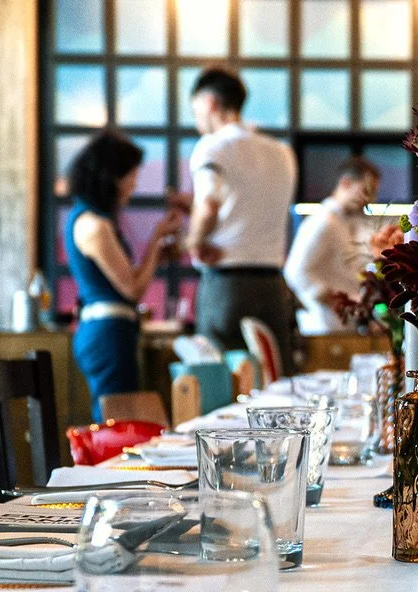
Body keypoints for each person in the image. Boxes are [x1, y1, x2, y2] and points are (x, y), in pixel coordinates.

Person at [170, 68, 298, 373]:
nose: (196, 117)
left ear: (210, 101)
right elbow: (248, 208)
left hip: (226, 286)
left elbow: (210, 207)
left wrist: (193, 242)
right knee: (275, 380)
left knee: (222, 381)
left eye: (195, 108)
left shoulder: (212, 147)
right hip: (272, 286)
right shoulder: (282, 152)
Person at [66, 132, 181, 421]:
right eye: (131, 175)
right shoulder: (95, 225)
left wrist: (158, 253)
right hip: (108, 333)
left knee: (118, 417)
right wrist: (156, 239)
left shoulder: (89, 218)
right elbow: (132, 289)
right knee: (118, 421)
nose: (135, 183)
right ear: (111, 176)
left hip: (109, 331)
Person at [284, 157, 403, 335]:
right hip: (323, 328)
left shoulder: (342, 222)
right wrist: (335, 301)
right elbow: (294, 272)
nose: (369, 199)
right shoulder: (323, 222)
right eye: (365, 191)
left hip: (341, 326)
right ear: (346, 183)